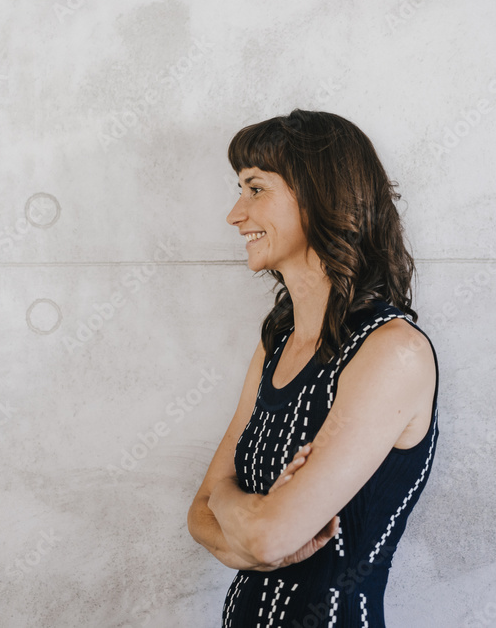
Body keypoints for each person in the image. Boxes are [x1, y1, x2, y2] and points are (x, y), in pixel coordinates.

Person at [186, 109, 440, 627]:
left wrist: (241, 519)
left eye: (255, 189)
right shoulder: (274, 344)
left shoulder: (393, 352)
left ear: (321, 194)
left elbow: (266, 538)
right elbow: (198, 515)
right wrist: (249, 517)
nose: (235, 214)